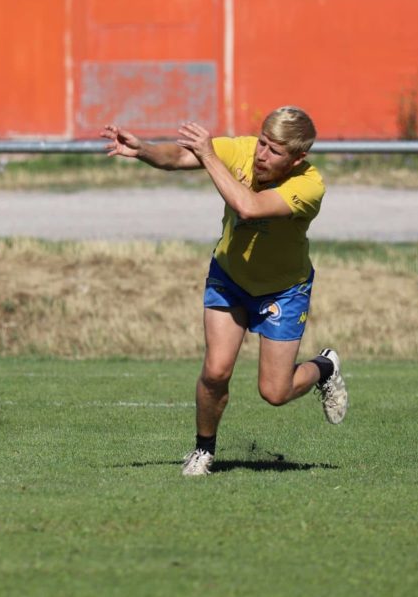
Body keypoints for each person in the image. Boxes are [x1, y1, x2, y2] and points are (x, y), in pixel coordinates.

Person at [101, 106, 347, 477]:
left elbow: (248, 208)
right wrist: (144, 150)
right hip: (229, 276)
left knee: (274, 392)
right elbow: (184, 155)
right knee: (215, 372)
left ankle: (325, 367)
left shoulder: (309, 186)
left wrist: (209, 156)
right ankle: (203, 450)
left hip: (283, 291)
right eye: (262, 143)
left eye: (274, 151)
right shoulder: (242, 151)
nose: (261, 155)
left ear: (297, 159)